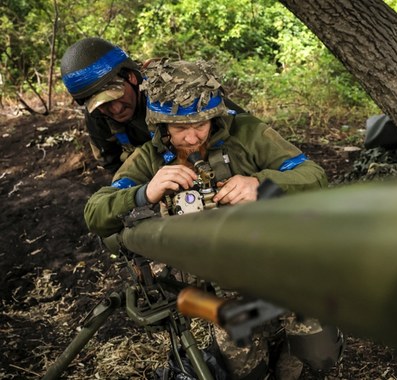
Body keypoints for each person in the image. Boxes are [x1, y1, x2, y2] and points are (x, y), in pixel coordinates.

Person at [83, 59, 343, 379]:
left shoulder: (247, 134)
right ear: (161, 124)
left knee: (318, 359)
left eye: (201, 125)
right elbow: (96, 212)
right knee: (247, 372)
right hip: (228, 284)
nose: (192, 138)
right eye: (180, 129)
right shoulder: (150, 158)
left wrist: (260, 183)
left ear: (215, 117)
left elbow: (313, 176)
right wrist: (144, 193)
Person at [60, 37, 152, 173]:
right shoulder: (96, 115)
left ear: (131, 77)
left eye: (117, 95)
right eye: (104, 104)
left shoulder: (163, 91)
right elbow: (112, 164)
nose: (116, 109)